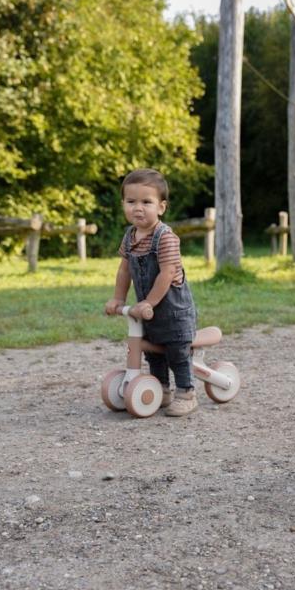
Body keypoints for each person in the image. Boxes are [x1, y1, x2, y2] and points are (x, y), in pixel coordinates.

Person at [105, 168, 198, 417]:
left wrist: (149, 302)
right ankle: (161, 389)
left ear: (161, 207)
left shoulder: (165, 238)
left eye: (146, 202)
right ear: (123, 204)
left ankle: (186, 392)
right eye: (131, 201)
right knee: (152, 351)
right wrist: (118, 298)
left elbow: (167, 273)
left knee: (177, 352)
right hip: (148, 311)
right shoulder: (130, 236)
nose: (138, 208)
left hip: (173, 311)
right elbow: (124, 270)